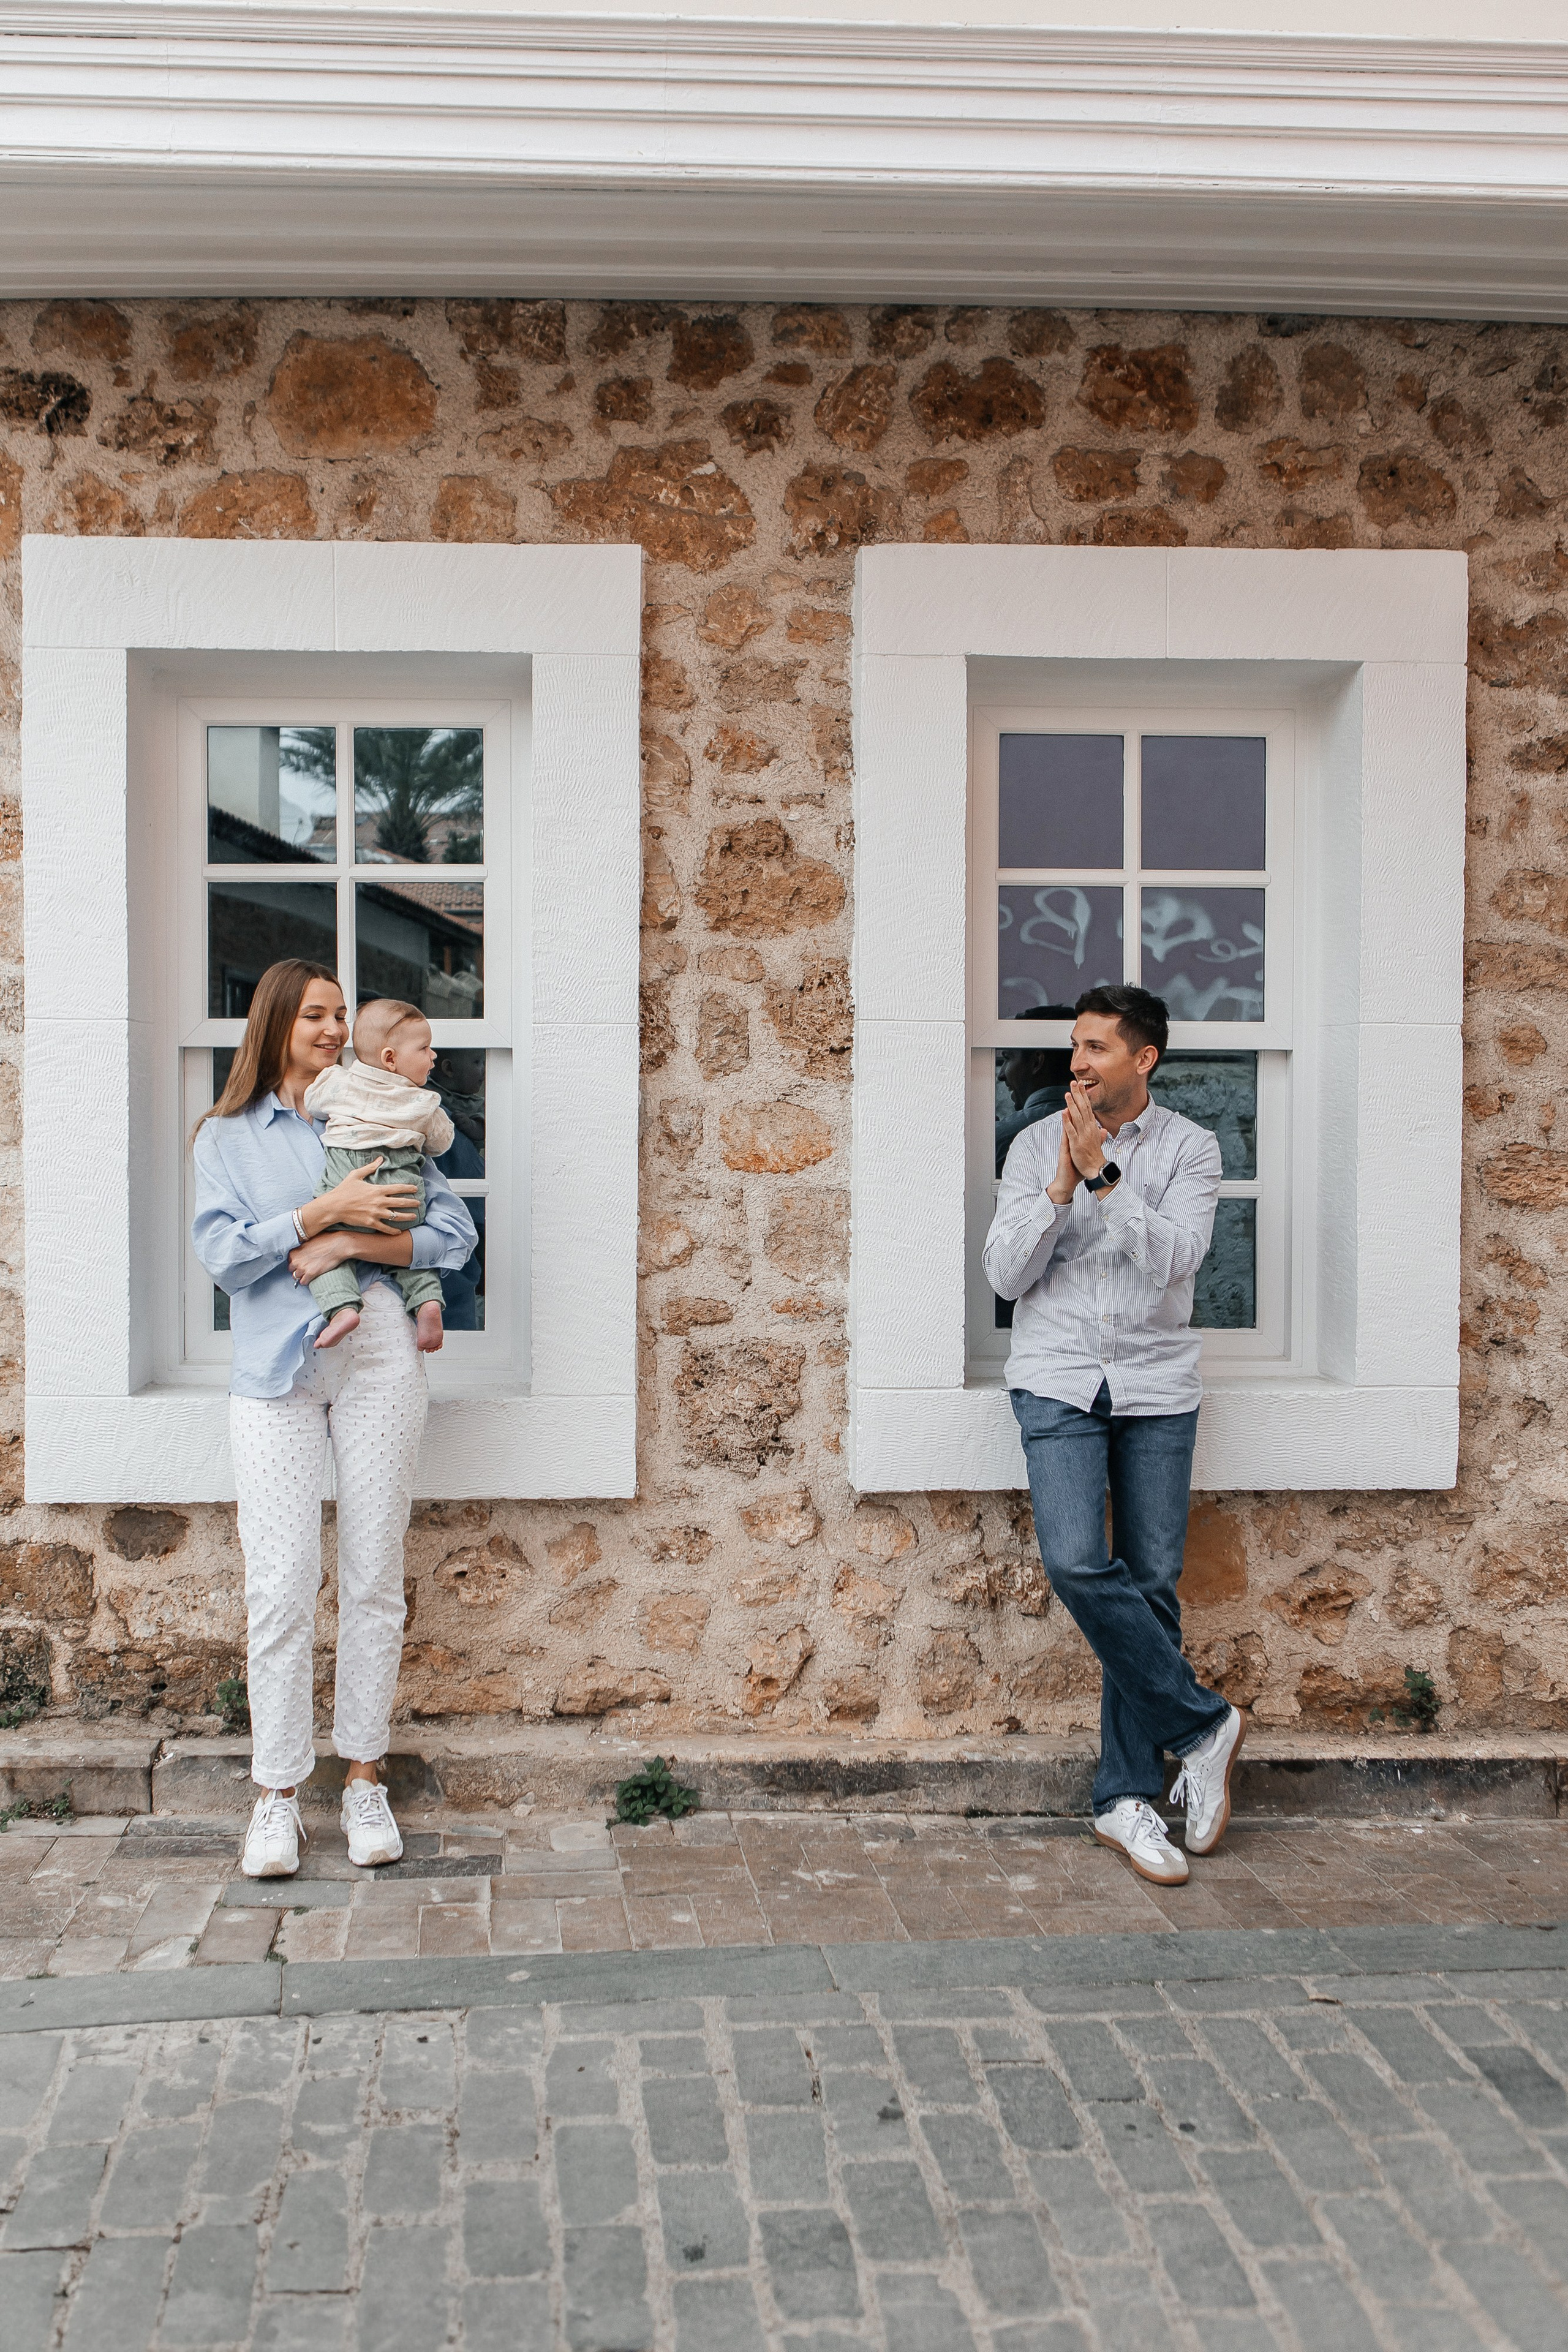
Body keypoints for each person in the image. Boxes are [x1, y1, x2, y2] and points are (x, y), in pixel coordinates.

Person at [192, 960, 478, 1882]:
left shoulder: (385, 1107)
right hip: (275, 1378)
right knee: (280, 1584)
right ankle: (275, 1795)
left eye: (341, 1015)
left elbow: (452, 1238)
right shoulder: (227, 1138)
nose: (330, 1029)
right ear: (276, 1023)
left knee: (373, 1574)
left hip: (381, 1362)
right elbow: (228, 1260)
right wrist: (320, 1212)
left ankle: (362, 1776)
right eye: (315, 1014)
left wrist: (358, 1239)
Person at [983, 982, 1245, 1887]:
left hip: (1155, 1384)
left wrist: (1106, 1177)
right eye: (1075, 1046)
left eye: (1096, 1047)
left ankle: (1127, 1797)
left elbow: (1177, 1264)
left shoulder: (1191, 1149)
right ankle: (1202, 1726)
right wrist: (1061, 1182)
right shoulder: (1030, 1146)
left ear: (1144, 1060)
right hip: (1057, 1379)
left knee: (1153, 1583)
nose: (1077, 1062)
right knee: (1074, 1562)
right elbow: (1008, 1276)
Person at [303, 997, 455, 1353]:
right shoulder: (424, 1103)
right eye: (425, 1048)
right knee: (409, 1246)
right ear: (390, 1059)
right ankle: (428, 1303)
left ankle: (341, 1308)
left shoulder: (337, 1082)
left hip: (345, 1182)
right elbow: (442, 1142)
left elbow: (313, 1103)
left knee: (320, 1244)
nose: (433, 1056)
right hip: (401, 1194)